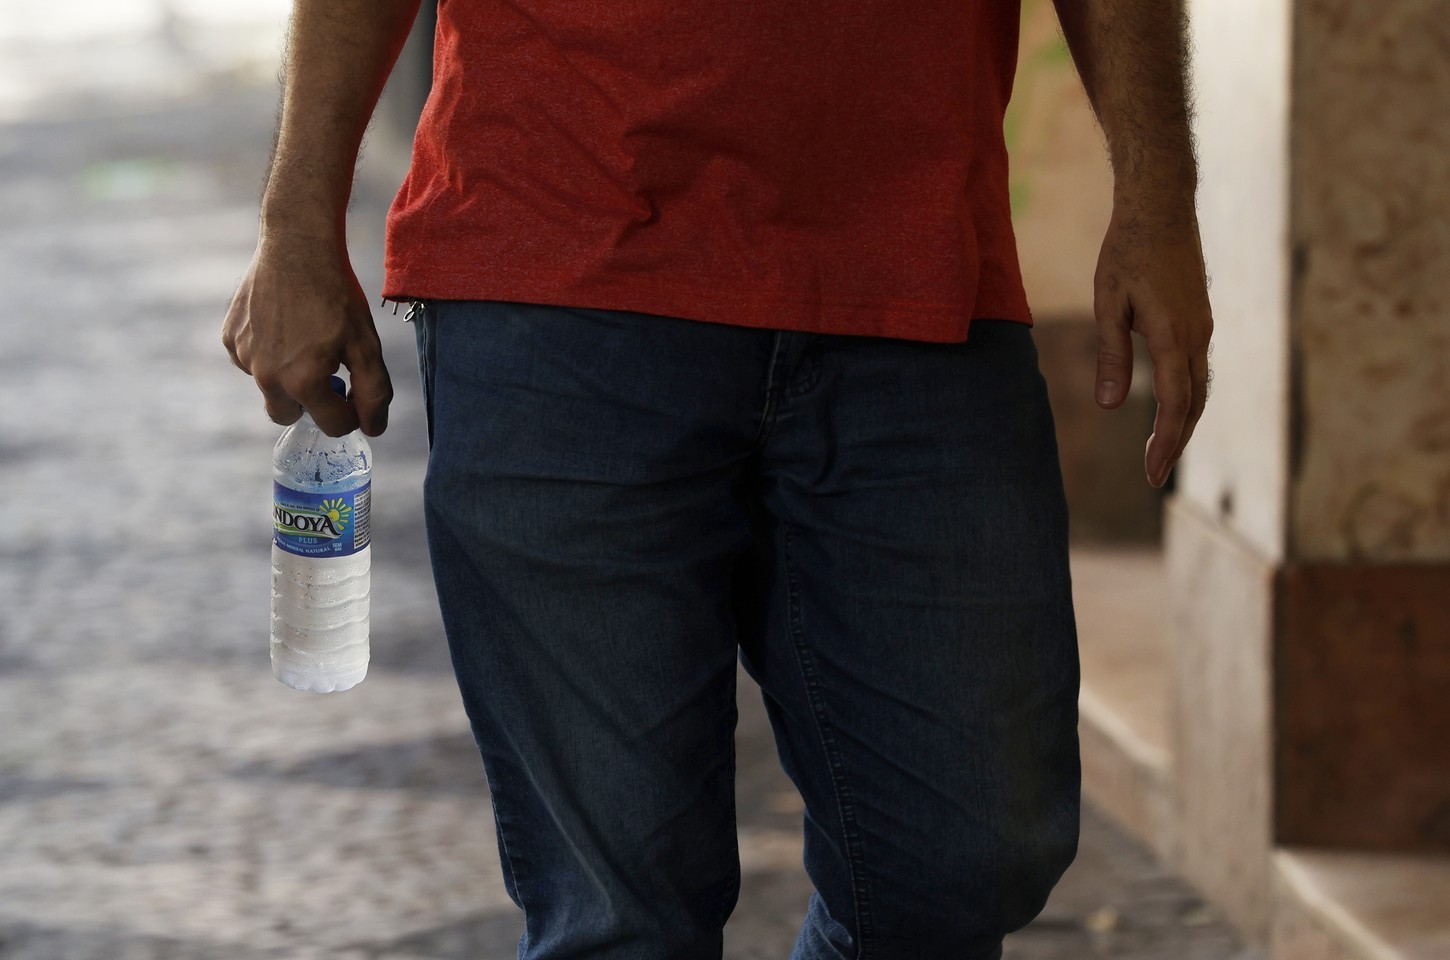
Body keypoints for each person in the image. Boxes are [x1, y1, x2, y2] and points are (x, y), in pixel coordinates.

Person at [222, 0, 1213, 956]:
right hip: (556, 273)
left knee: (969, 857)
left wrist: (1159, 196)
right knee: (620, 915)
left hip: (915, 276)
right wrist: (296, 221)